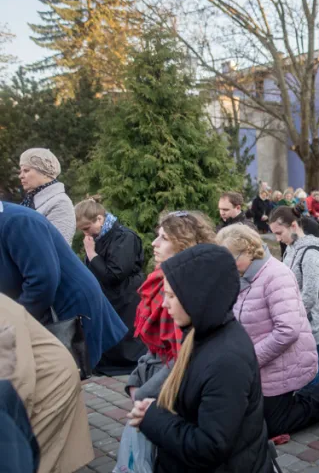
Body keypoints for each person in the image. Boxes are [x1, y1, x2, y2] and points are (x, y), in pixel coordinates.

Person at [128, 244, 273, 472]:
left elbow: (210, 446)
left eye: (171, 296)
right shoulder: (201, 333)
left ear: (197, 298)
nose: (164, 304)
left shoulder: (226, 361)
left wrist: (153, 419)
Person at [217, 225, 319, 438]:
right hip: (253, 362)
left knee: (274, 425)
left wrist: (250, 357)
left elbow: (287, 331)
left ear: (250, 251)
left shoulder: (275, 275)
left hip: (278, 361)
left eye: (231, 257)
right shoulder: (241, 274)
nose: (227, 264)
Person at [0, 201, 126, 369]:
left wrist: (13, 322)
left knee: (60, 376)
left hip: (65, 308)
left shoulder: (18, 221)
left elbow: (42, 280)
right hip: (44, 306)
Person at [126, 211, 217, 402]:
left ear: (183, 245)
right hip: (157, 368)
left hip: (174, 381)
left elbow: (183, 357)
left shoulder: (185, 289)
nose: (154, 243)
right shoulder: (161, 276)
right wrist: (136, 376)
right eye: (157, 236)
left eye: (164, 238)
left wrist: (143, 394)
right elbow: (157, 347)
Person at [0, 293, 94, 473]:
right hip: (30, 376)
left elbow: (17, 381)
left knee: (32, 459)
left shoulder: (2, 313)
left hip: (50, 382)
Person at [270, 206, 319, 384]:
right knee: (305, 371)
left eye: (279, 232)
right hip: (297, 321)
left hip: (311, 326)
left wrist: (289, 317)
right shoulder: (291, 247)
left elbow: (309, 296)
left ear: (293, 226)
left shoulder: (311, 253)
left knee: (307, 380)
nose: (277, 238)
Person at [74, 197, 146, 375]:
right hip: (111, 296)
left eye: (86, 228)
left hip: (126, 296)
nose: (86, 234)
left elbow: (115, 274)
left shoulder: (125, 237)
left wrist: (91, 253)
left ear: (99, 219)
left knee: (126, 336)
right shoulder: (101, 236)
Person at [18, 148, 75, 245]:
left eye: (26, 171)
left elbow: (56, 247)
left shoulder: (60, 203)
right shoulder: (29, 201)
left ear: (44, 173)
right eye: (21, 171)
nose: (21, 176)